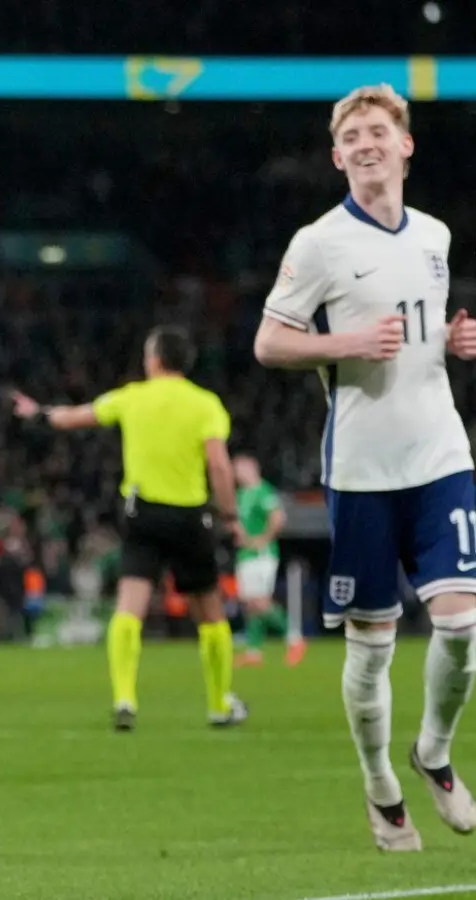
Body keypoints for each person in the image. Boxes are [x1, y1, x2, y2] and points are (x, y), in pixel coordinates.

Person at [253, 83, 476, 851]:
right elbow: (270, 342)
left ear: (406, 145)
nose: (368, 143)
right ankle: (381, 781)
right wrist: (343, 344)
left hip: (441, 455)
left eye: (379, 130)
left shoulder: (436, 238)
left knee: (462, 627)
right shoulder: (318, 244)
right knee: (372, 645)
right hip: (361, 470)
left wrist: (450, 344)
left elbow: (419, 329)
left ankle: (435, 754)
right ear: (337, 156)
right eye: (353, 136)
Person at [11, 326, 247, 733]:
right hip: (190, 515)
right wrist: (229, 516)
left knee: (128, 607)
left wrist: (37, 413)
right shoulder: (205, 404)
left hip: (143, 513)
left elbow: (74, 417)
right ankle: (218, 704)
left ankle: (124, 698)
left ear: (155, 359)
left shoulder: (132, 397)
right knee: (209, 612)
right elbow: (219, 465)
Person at [231, 454, 302, 668]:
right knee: (251, 605)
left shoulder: (263, 491)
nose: (235, 473)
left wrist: (262, 540)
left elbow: (278, 518)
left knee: (260, 601)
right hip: (246, 554)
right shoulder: (242, 494)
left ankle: (294, 639)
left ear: (252, 468)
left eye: (239, 468)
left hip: (261, 555)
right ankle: (254, 653)